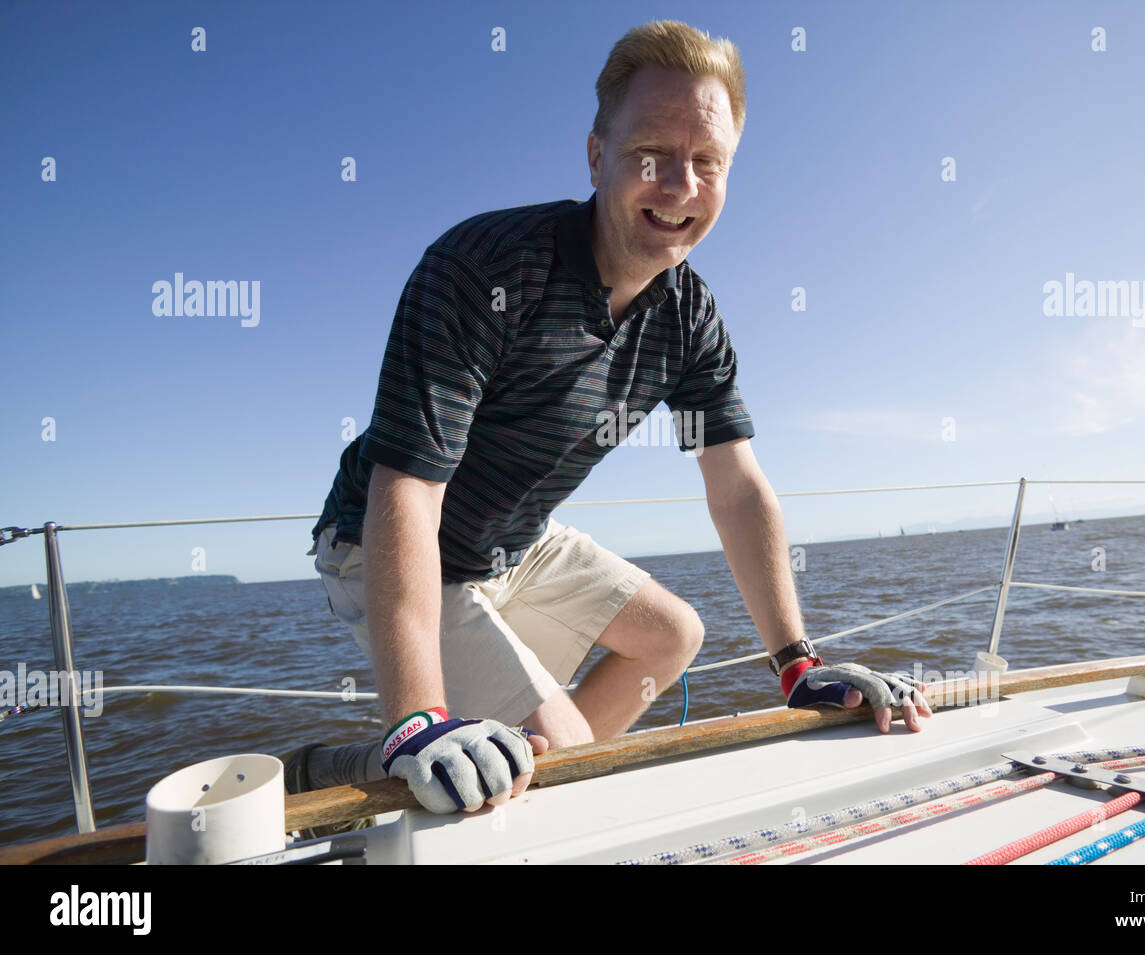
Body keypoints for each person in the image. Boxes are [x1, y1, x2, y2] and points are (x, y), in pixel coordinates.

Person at [291, 19, 931, 827]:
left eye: (708, 163)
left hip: (514, 539)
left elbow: (735, 487)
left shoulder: (689, 318)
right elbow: (409, 487)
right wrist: (416, 718)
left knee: (673, 635)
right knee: (551, 748)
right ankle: (354, 767)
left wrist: (797, 665)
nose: (679, 187)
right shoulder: (483, 269)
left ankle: (531, 774)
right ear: (597, 155)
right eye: (650, 155)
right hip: (383, 538)